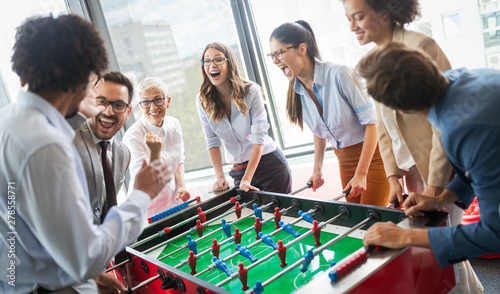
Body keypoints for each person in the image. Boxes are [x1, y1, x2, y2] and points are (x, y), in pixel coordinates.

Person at [0, 14, 170, 293]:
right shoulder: (47, 145)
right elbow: (86, 258)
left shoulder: (8, 121)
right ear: (84, 76)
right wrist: (141, 194)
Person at [357, 42, 500, 280]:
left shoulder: (462, 128)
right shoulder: (464, 78)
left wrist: (405, 237)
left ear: (398, 110)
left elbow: (493, 233)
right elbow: (486, 163)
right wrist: (442, 198)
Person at [343, 0, 455, 217]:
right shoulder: (371, 61)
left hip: (438, 165)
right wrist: (392, 177)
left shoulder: (422, 46)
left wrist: (434, 184)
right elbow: (382, 124)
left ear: (385, 13)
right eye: (349, 19)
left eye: (359, 17)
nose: (352, 27)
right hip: (408, 169)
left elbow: (447, 119)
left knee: (445, 236)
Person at [269, 21, 388, 206]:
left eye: (279, 52)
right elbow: (319, 130)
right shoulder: (298, 90)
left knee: (372, 223)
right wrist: (317, 169)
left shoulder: (339, 74)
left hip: (374, 157)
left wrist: (361, 174)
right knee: (355, 221)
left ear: (302, 48)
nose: (275, 60)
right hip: (344, 161)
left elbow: (373, 124)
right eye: (272, 55)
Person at [69, 71, 134, 293]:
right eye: (102, 101)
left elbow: (104, 211)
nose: (108, 111)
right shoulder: (64, 140)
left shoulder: (124, 154)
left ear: (128, 111)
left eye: (118, 105)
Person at [196, 42, 292, 193]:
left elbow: (258, 138)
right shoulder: (202, 100)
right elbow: (212, 140)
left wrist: (247, 179)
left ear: (229, 62)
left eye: (218, 59)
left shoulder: (251, 91)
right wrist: (220, 176)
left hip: (269, 167)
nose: (211, 65)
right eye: (207, 60)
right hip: (239, 171)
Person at [123, 77, 190, 217]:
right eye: (145, 102)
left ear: (168, 101)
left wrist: (182, 186)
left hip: (175, 205)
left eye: (158, 100)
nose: (153, 107)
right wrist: (155, 154)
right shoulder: (133, 136)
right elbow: (144, 183)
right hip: (147, 212)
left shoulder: (174, 124)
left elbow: (178, 160)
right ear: (139, 106)